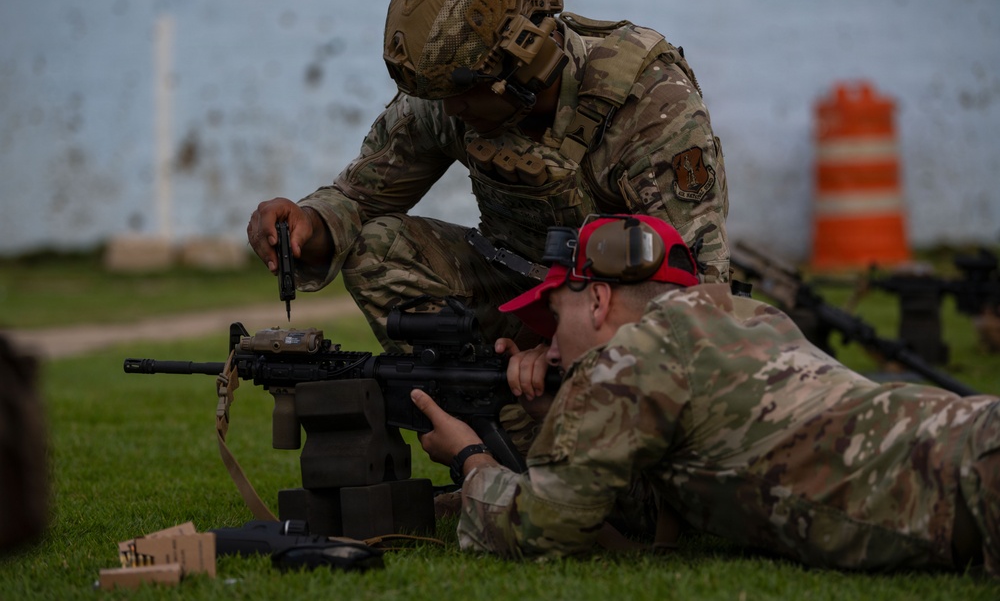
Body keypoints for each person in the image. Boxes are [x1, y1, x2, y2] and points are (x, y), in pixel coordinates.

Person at [411, 214, 1000, 575]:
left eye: (554, 317)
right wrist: (561, 416)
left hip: (974, 482)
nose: (552, 349)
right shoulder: (744, 316)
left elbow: (543, 531)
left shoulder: (631, 360)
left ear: (597, 302)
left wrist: (471, 460)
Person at [246, 0, 729, 362]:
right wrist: (310, 222)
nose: (451, 110)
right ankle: (494, 429)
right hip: (517, 295)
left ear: (528, 61)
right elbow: (360, 198)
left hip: (618, 312)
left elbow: (693, 288)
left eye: (464, 91)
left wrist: (569, 342)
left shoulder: (648, 101)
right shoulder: (444, 101)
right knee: (378, 250)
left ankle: (574, 434)